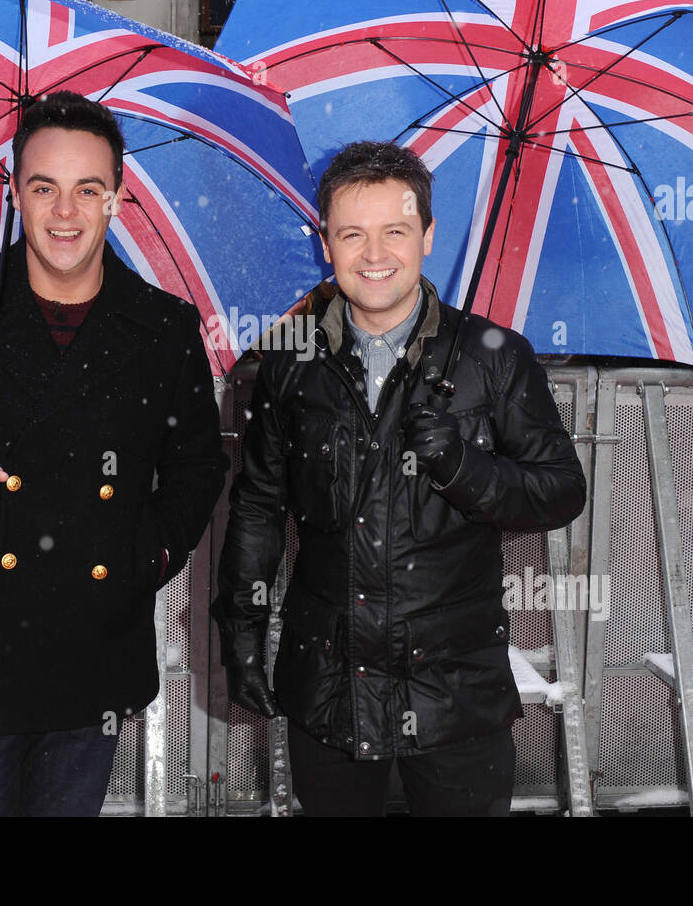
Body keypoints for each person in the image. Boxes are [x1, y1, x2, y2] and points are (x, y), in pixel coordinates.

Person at [0, 92, 228, 816]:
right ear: (15, 194)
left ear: (116, 200)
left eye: (87, 189)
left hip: (92, 645)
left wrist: (149, 556)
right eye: (45, 188)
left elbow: (196, 463)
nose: (66, 212)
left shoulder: (163, 325)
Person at [211, 141, 587, 817]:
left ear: (428, 236)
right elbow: (259, 507)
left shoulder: (493, 357)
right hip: (329, 688)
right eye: (352, 233)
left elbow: (561, 489)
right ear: (325, 241)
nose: (374, 253)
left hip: (455, 696)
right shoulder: (292, 364)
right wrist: (241, 627)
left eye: (396, 230)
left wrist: (463, 468)